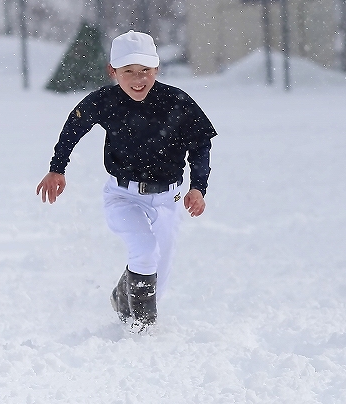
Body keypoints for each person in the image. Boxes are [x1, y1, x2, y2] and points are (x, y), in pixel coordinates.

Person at [36, 30, 217, 330]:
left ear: (157, 69)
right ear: (112, 71)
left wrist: (198, 187)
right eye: (128, 71)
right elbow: (74, 126)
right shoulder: (105, 101)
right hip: (123, 197)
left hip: (168, 198)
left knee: (160, 269)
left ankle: (123, 296)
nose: (138, 79)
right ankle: (142, 329)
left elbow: (201, 144)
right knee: (145, 251)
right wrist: (58, 168)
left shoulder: (176, 102)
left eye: (145, 70)